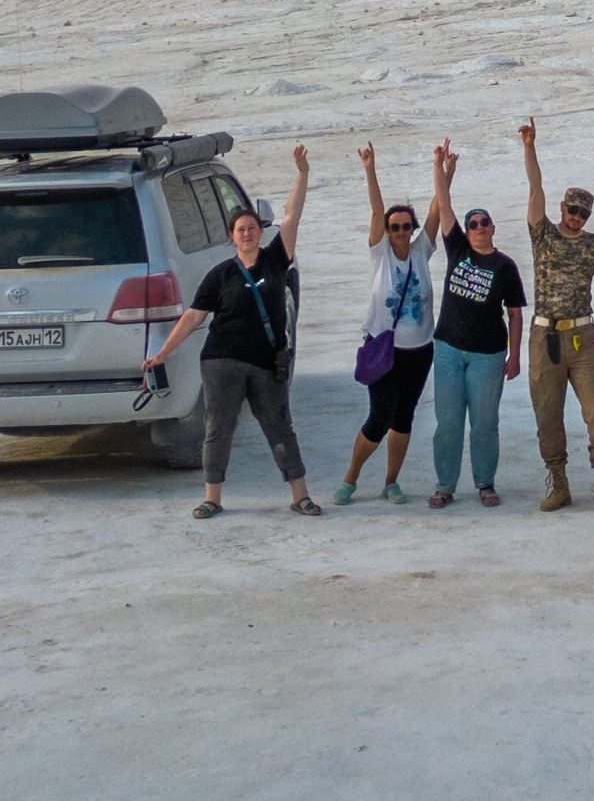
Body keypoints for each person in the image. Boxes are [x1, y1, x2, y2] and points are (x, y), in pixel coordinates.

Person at [146, 143, 321, 519]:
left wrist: (302, 174)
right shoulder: (220, 275)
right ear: (232, 236)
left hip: (265, 361)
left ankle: (300, 495)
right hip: (222, 362)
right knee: (218, 429)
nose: (247, 233)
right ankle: (212, 498)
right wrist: (164, 352)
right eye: (240, 230)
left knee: (280, 428)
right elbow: (193, 317)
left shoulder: (276, 260)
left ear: (260, 231)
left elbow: (291, 218)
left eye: (252, 228)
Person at [518, 116, 594, 514]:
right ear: (562, 207)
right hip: (545, 335)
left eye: (583, 213)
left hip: (583, 337)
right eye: (573, 210)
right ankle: (559, 482)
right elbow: (535, 188)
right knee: (547, 413)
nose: (577, 217)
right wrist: (530, 146)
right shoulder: (543, 232)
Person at [424, 140, 526, 507]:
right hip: (449, 349)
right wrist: (440, 165)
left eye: (484, 223)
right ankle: (444, 485)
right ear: (466, 232)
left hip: (488, 355)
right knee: (448, 423)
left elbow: (515, 313)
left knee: (484, 423)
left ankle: (485, 482)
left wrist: (514, 357)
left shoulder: (505, 266)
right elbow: (443, 202)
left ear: (493, 228)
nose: (479, 228)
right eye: (474, 224)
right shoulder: (458, 250)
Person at [336, 142, 437, 504]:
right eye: (394, 226)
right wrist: (369, 169)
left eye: (406, 226)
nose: (400, 231)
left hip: (420, 351)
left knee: (404, 417)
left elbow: (437, 210)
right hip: (384, 349)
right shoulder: (379, 254)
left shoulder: (422, 251)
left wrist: (442, 169)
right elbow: (377, 209)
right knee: (379, 418)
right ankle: (351, 478)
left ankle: (391, 481)